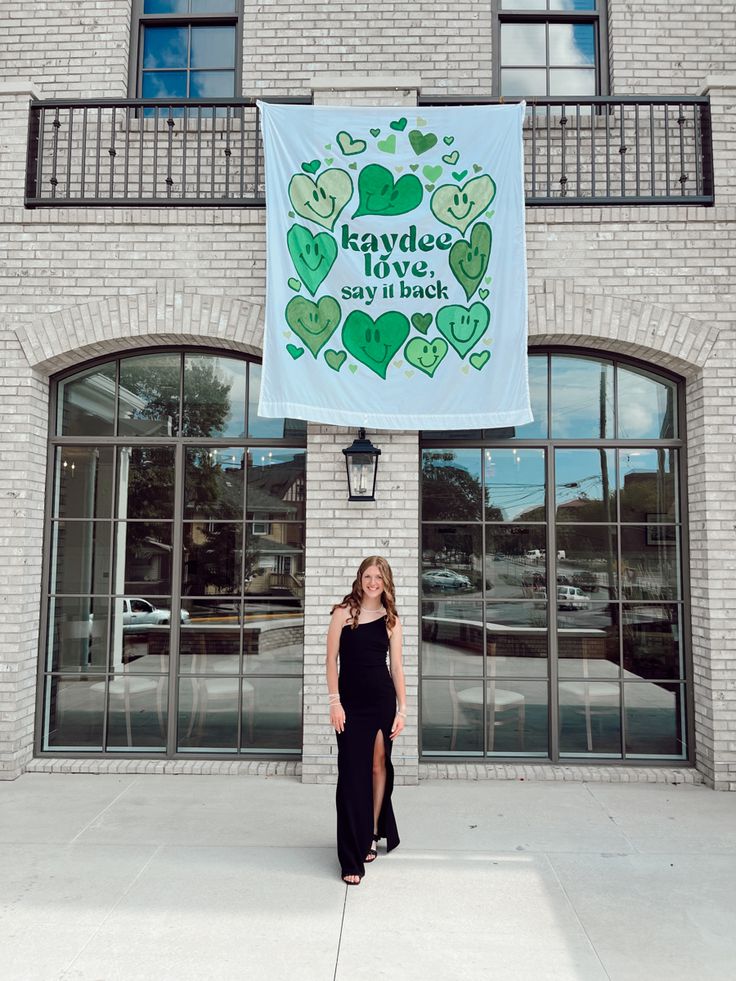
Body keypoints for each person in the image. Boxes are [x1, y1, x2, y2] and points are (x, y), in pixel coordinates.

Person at [326, 556, 406, 885]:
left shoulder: (392, 620)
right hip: (350, 704)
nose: (373, 582)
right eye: (368, 576)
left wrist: (402, 709)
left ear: (386, 581)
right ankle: (350, 855)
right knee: (350, 774)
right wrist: (335, 702)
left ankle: (372, 833)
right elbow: (330, 660)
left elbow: (397, 668)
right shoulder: (342, 612)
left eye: (378, 577)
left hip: (382, 701)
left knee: (377, 766)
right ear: (360, 578)